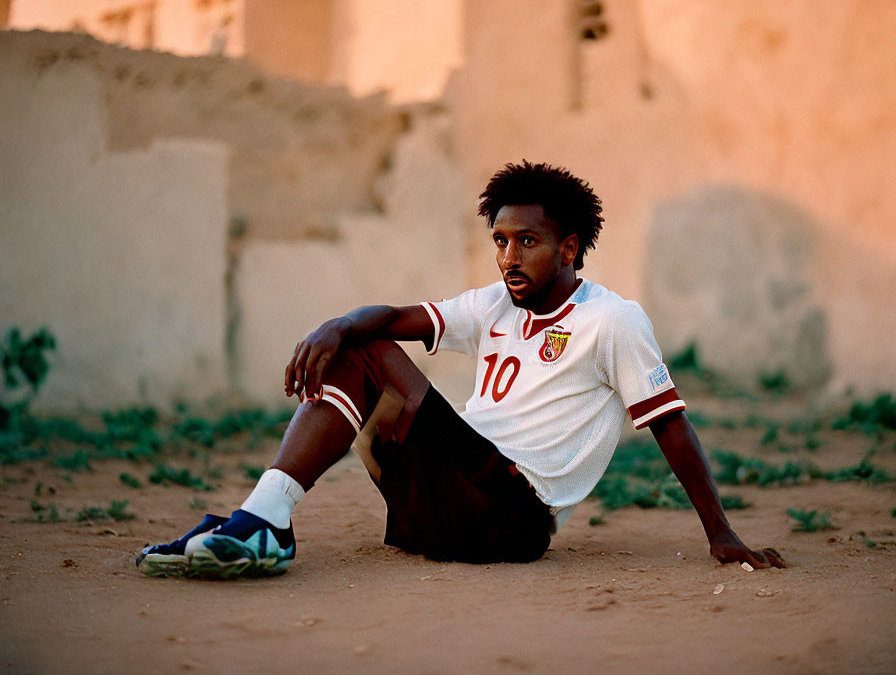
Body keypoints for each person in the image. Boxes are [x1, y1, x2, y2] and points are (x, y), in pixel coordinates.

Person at [137, 161, 785, 578]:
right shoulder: (494, 304)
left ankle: (263, 523)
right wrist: (334, 325)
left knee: (367, 351)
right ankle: (259, 520)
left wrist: (721, 532)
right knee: (360, 340)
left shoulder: (612, 321)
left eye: (527, 242)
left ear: (567, 249)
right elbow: (390, 317)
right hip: (435, 511)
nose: (509, 256)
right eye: (500, 241)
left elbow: (670, 425)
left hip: (509, 518)